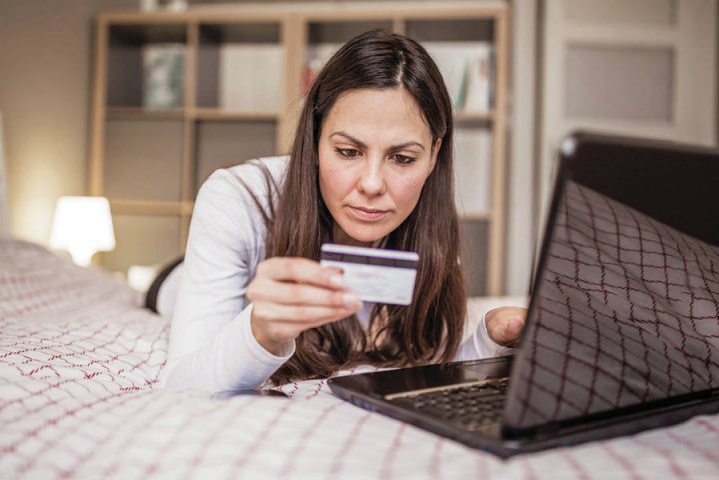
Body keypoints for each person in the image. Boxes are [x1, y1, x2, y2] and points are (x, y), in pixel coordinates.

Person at [160, 29, 526, 392]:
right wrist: (261, 330)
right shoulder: (235, 198)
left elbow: (432, 365)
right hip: (177, 279)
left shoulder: (427, 222)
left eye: (402, 158)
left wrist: (490, 340)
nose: (371, 184)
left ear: (433, 155)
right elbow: (182, 385)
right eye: (349, 152)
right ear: (316, 139)